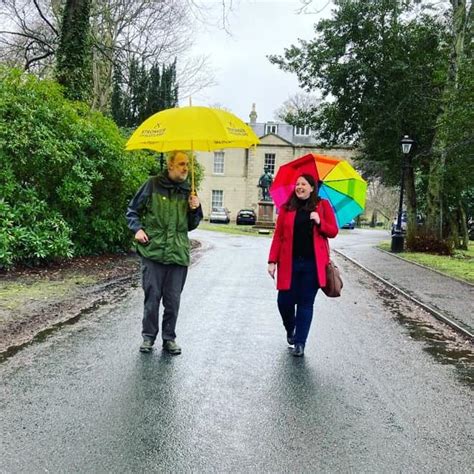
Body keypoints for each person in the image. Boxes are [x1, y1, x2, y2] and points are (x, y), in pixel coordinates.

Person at [126, 150, 203, 355]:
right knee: (152, 298)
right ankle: (148, 337)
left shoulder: (189, 190)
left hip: (178, 253)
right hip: (153, 251)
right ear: (170, 166)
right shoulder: (152, 184)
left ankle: (169, 338)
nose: (185, 168)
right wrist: (137, 229)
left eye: (187, 164)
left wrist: (196, 209)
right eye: (181, 164)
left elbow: (191, 225)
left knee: (173, 300)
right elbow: (132, 210)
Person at [267, 174, 338, 357]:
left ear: (312, 188)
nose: (299, 187)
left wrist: (320, 221)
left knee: (306, 304)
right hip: (289, 263)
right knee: (284, 302)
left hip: (313, 265)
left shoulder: (322, 206)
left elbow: (333, 231)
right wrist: (272, 261)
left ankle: (300, 343)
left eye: (303, 184)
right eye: (297, 184)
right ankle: (290, 330)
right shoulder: (287, 208)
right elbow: (279, 236)